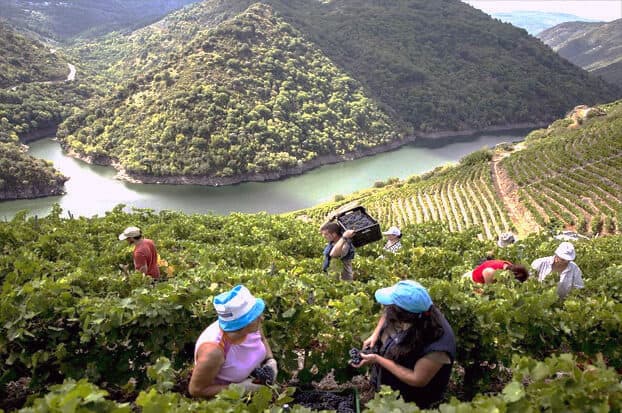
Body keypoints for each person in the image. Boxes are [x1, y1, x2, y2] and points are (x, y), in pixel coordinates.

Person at [353, 280, 456, 409]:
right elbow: (388, 311)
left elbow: (417, 379)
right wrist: (375, 334)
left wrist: (377, 359)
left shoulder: (438, 346)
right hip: (389, 385)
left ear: (403, 316)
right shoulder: (420, 310)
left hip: (410, 400)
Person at [188, 285, 278, 398]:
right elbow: (196, 390)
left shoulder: (254, 326)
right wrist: (239, 388)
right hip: (227, 403)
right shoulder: (213, 351)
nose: (262, 319)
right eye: (256, 316)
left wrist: (270, 361)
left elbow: (262, 340)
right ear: (243, 324)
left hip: (254, 386)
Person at [463, 260, 529, 284]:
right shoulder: (493, 272)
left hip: (473, 275)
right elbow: (487, 272)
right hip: (469, 281)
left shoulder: (508, 265)